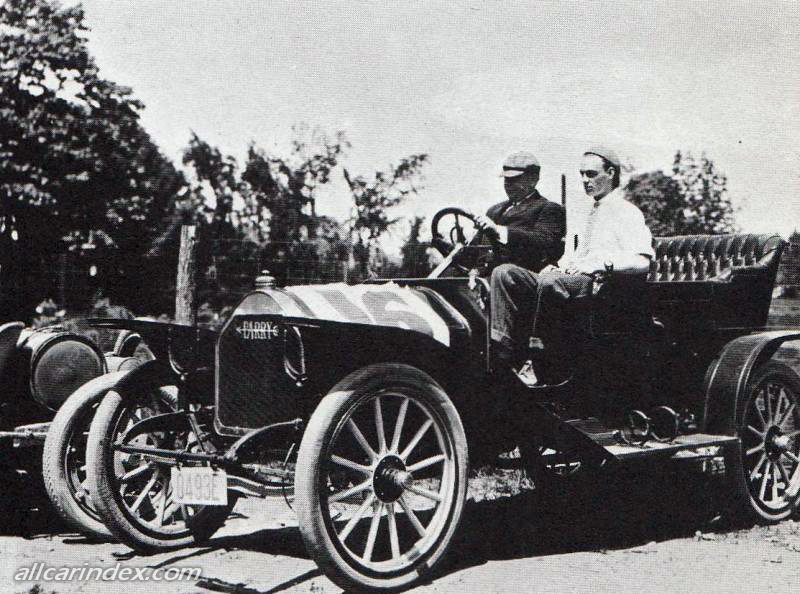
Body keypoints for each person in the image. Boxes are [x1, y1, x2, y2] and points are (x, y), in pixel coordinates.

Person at [489, 145, 653, 370]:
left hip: (601, 285)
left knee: (551, 282)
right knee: (505, 273)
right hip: (570, 278)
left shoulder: (627, 212)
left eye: (591, 174)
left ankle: (534, 358)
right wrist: (556, 265)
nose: (585, 180)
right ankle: (501, 350)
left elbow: (643, 262)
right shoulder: (582, 213)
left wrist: (601, 265)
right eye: (582, 174)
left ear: (610, 173)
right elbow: (571, 255)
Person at [474, 151, 566, 273]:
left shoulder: (549, 209)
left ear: (533, 180)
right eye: (506, 179)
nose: (508, 184)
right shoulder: (494, 211)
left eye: (514, 179)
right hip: (484, 273)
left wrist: (500, 231)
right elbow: (475, 248)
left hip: (518, 276)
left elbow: (543, 241)